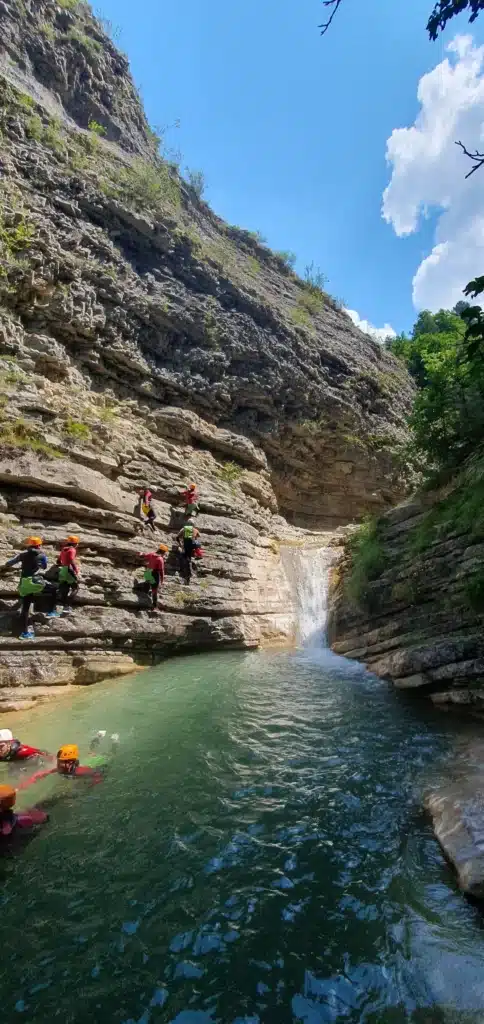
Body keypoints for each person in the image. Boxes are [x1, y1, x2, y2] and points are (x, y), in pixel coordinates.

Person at [0, 536, 57, 639]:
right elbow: (44, 567)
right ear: (39, 545)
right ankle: (50, 611)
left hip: (24, 584)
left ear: (29, 545)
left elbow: (9, 563)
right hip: (34, 582)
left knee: (25, 609)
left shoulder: (23, 555)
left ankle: (25, 633)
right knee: (52, 590)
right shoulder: (42, 555)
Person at [17, 744, 104, 791]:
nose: (59, 764)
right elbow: (45, 773)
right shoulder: (61, 768)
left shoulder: (80, 771)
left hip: (97, 765)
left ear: (71, 763)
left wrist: (92, 785)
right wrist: (30, 781)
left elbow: (97, 774)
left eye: (62, 762)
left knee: (106, 756)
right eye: (59, 761)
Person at [50, 536, 81, 616]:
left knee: (64, 589)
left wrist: (62, 563)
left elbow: (58, 560)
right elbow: (71, 559)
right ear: (75, 543)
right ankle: (67, 607)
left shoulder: (64, 549)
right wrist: (76, 569)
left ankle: (58, 608)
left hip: (63, 571)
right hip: (68, 570)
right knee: (75, 588)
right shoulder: (72, 549)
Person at [177, 520, 201, 585]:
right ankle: (198, 554)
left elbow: (177, 537)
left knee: (185, 557)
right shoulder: (195, 529)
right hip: (193, 546)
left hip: (186, 546)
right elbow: (199, 536)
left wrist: (180, 544)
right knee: (197, 542)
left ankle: (183, 570)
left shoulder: (184, 529)